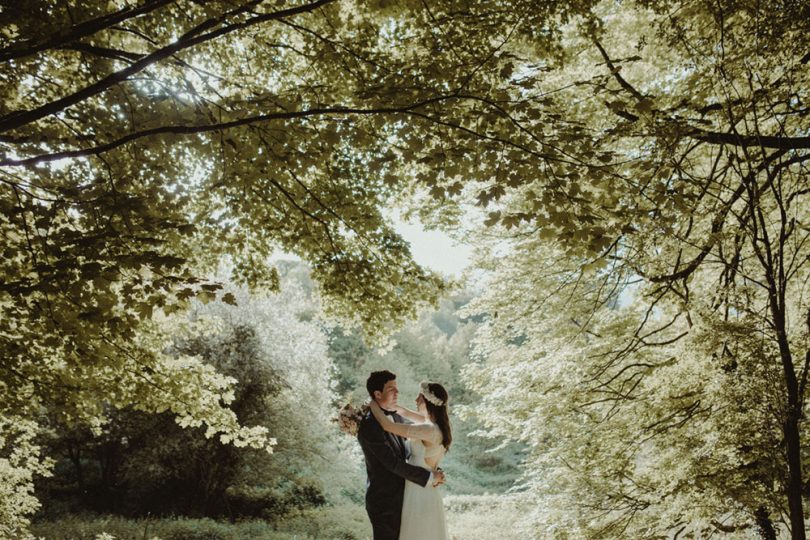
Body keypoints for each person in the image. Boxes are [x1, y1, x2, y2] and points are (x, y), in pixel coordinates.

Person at [358, 371, 446, 540]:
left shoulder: (397, 416)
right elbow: (392, 463)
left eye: (397, 388)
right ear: (377, 394)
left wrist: (433, 469)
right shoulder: (369, 425)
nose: (397, 392)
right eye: (391, 389)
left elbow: (416, 449)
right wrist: (428, 476)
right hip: (385, 501)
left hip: (408, 497)